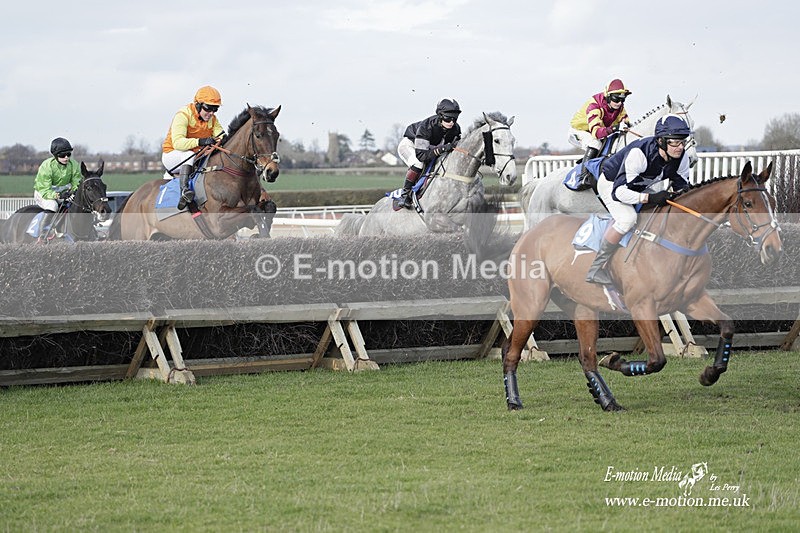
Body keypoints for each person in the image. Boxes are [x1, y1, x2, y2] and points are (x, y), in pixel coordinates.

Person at [585, 114, 692, 285]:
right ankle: (596, 268)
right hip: (612, 184)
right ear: (661, 141)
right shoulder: (639, 154)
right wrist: (650, 197)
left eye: (683, 141)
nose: (680, 147)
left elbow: (683, 187)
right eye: (674, 142)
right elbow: (619, 193)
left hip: (638, 184)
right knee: (628, 219)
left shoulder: (681, 157)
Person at [162, 85, 226, 209]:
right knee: (189, 154)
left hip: (195, 157)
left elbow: (221, 135)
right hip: (173, 156)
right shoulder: (183, 115)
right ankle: (185, 191)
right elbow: (178, 143)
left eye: (215, 109)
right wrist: (200, 141)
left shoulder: (212, 119)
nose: (211, 113)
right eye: (208, 108)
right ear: (198, 104)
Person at [394, 98, 462, 210]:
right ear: (440, 115)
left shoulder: (455, 129)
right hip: (410, 146)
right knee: (418, 164)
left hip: (430, 148)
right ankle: (405, 195)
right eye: (448, 118)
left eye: (454, 119)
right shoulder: (426, 126)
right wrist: (443, 148)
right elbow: (421, 156)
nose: (452, 122)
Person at [568, 78, 632, 190]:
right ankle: (583, 176)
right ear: (608, 96)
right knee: (595, 144)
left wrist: (627, 125)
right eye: (616, 99)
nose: (620, 103)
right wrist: (615, 127)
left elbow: (626, 121)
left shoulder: (619, 107)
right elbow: (596, 133)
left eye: (623, 100)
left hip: (599, 130)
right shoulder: (594, 105)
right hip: (580, 131)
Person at [33, 137, 82, 234]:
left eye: (68, 154)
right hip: (43, 194)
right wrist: (58, 196)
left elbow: (76, 183)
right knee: (53, 205)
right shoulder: (47, 166)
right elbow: (45, 190)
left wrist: (73, 192)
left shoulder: (74, 165)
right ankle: (43, 233)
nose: (66, 158)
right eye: (62, 155)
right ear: (55, 155)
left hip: (63, 194)